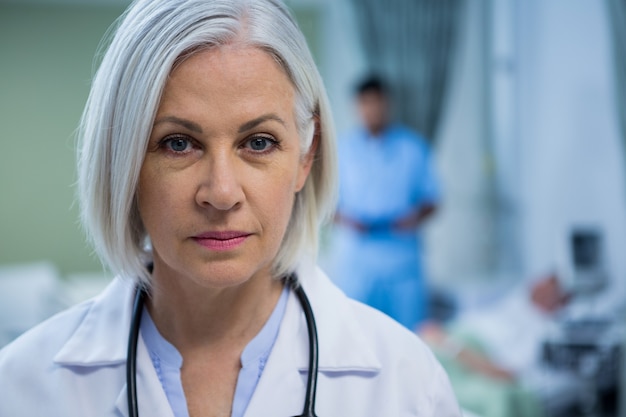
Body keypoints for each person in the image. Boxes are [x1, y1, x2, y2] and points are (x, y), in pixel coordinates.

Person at [0, 1, 461, 416]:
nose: (221, 193)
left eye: (259, 142)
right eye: (178, 144)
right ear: (125, 161)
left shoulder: (405, 385)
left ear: (305, 156)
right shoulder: (20, 388)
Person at [329, 75, 440, 330]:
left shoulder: (413, 147)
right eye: (366, 103)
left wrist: (413, 218)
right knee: (357, 333)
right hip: (358, 260)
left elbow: (432, 199)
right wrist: (345, 219)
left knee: (409, 335)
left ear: (388, 104)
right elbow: (325, 202)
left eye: (377, 102)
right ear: (357, 106)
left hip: (401, 258)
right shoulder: (341, 151)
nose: (372, 109)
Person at [420, 274, 584, 417]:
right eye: (546, 279)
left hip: (461, 354)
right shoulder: (516, 300)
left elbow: (505, 373)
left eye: (551, 285)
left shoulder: (541, 330)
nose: (541, 284)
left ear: (561, 299)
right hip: (446, 337)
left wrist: (450, 345)